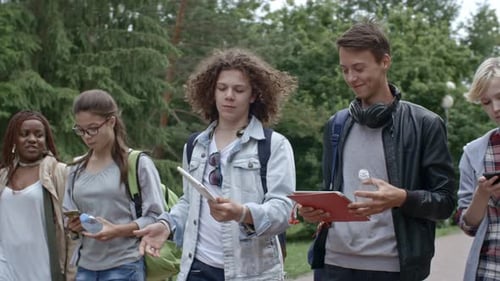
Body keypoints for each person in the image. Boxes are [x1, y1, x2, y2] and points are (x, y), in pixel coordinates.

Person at [298, 20, 456, 281]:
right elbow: (329, 190)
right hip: (332, 265)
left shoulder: (426, 124)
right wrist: (311, 211)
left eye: (359, 68)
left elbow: (446, 203)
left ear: (385, 62)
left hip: (393, 269)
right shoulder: (335, 125)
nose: (351, 78)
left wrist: (402, 198)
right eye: (345, 70)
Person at [134, 48, 297, 281]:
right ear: (212, 91)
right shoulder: (195, 145)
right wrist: (166, 225)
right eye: (222, 88)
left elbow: (283, 209)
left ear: (253, 95)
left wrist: (243, 213)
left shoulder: (273, 145)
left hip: (251, 274)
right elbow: (190, 202)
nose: (229, 95)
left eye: (238, 89)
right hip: (197, 269)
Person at [63, 89, 165, 281]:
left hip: (125, 266)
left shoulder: (137, 163)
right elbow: (68, 216)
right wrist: (73, 226)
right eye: (80, 130)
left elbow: (157, 218)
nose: (87, 136)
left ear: (111, 121)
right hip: (84, 267)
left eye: (93, 128)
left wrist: (117, 230)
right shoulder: (75, 168)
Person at [0, 110, 75, 281]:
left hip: (43, 269)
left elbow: (71, 228)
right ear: (14, 140)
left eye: (39, 135)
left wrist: (71, 274)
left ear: (46, 141)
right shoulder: (3, 176)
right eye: (24, 134)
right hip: (5, 267)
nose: (32, 139)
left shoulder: (60, 173)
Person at [456, 57, 500, 281]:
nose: (496, 108)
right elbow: (468, 226)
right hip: (489, 270)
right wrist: (482, 194)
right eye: (486, 102)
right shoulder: (474, 153)